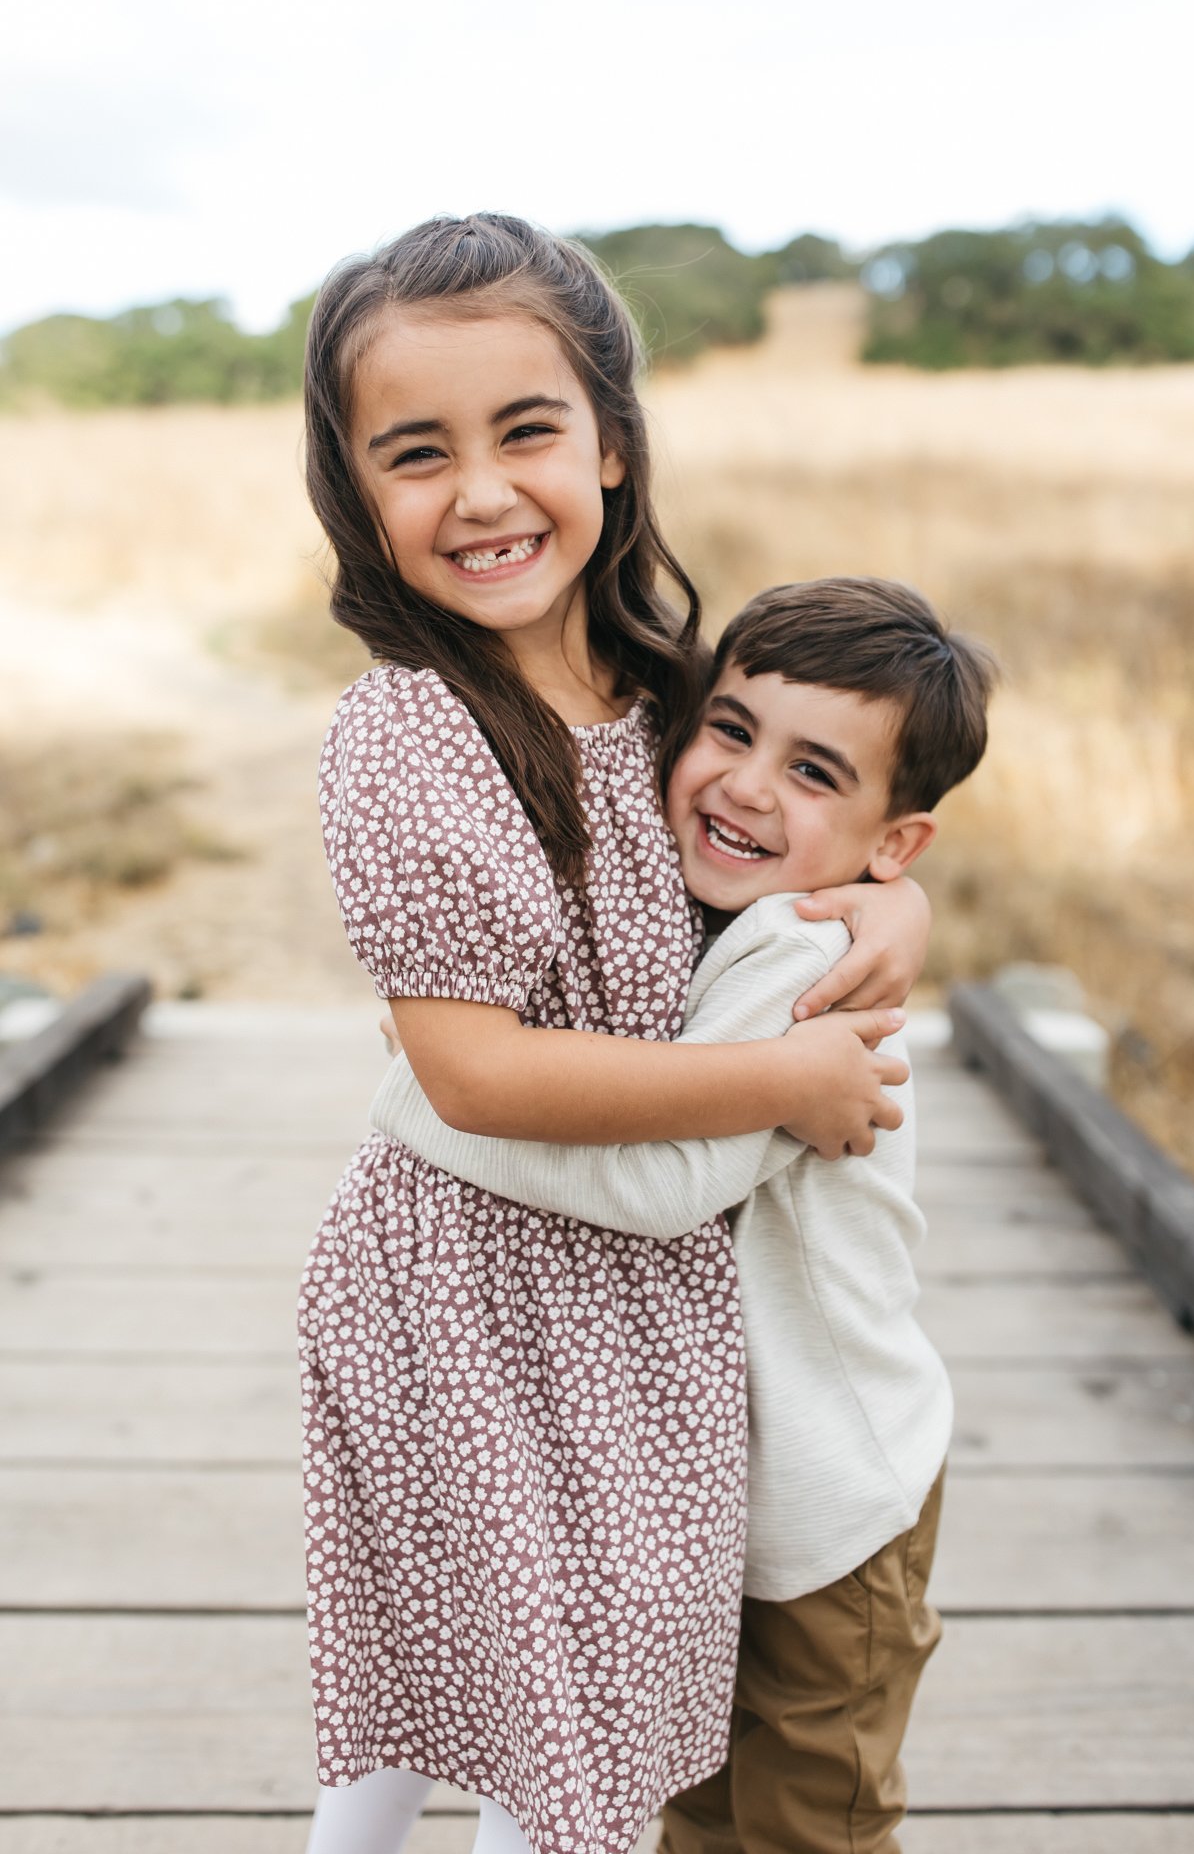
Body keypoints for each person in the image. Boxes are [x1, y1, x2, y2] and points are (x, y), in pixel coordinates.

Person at [298, 214, 933, 1854]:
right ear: (356, 493)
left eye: (527, 430)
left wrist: (891, 909)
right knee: (456, 1682)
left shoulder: (670, 696)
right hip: (458, 1287)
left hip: (638, 1302)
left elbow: (785, 846)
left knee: (576, 1711)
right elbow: (473, 1072)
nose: (484, 490)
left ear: (613, 451)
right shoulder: (407, 737)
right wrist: (776, 1077)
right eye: (415, 452)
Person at [371, 575, 996, 1854]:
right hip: (699, 1500)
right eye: (729, 728)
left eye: (815, 770)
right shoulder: (694, 898)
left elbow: (662, 1183)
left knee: (807, 1822)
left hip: (827, 1510)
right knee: (694, 1813)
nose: (750, 785)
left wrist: (434, 1093)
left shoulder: (805, 962)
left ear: (896, 841)